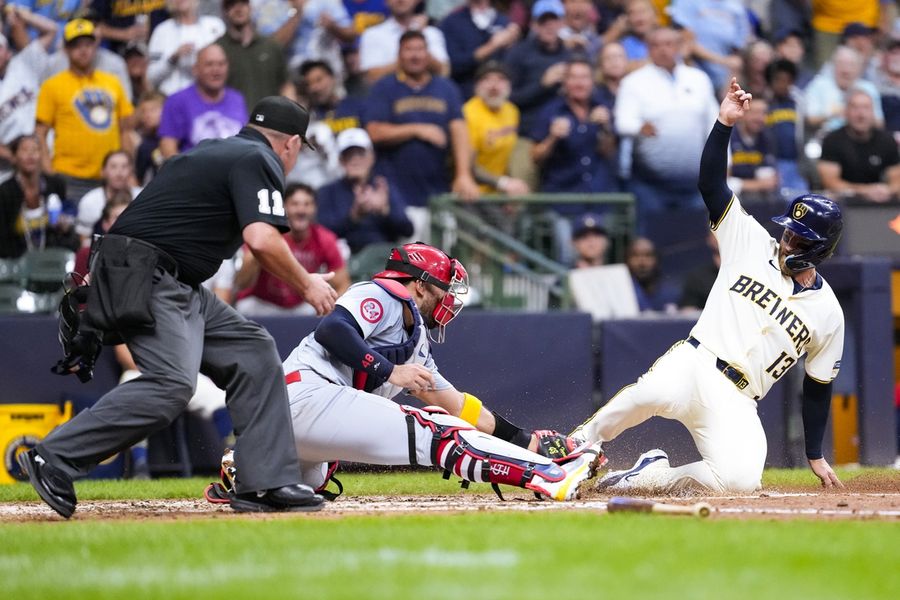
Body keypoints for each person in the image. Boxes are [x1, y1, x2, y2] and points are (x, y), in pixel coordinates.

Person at [17, 96, 339, 518]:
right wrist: (307, 283)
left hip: (161, 273)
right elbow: (261, 240)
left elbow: (147, 216)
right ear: (292, 143)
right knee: (171, 384)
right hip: (149, 272)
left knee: (252, 350)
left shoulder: (213, 149)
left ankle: (265, 482)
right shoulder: (259, 158)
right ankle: (52, 456)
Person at [569, 79, 846, 494]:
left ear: (822, 248)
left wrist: (814, 453)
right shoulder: (751, 241)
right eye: (789, 232)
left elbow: (818, 387)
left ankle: (646, 476)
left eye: (800, 239)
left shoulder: (829, 313)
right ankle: (566, 451)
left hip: (738, 399)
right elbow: (712, 186)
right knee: (638, 399)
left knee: (740, 480)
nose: (789, 241)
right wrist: (723, 124)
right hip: (695, 361)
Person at [207, 242, 605, 502]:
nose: (449, 298)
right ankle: (548, 477)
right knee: (434, 431)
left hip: (296, 425)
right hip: (302, 397)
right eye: (442, 288)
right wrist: (389, 371)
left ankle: (249, 467)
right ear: (417, 285)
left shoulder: (417, 340)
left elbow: (458, 407)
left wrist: (526, 440)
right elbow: (333, 329)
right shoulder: (379, 292)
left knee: (311, 482)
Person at [364, 30, 478, 241]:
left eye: (420, 49)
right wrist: (418, 130)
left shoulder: (446, 88)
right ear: (399, 55)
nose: (415, 55)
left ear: (428, 54)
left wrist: (463, 174)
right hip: (399, 196)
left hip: (439, 194)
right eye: (409, 50)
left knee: (444, 263)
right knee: (407, 267)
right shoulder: (385, 87)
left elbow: (459, 131)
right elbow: (374, 131)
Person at [615, 26, 718, 235]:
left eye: (669, 44)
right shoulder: (633, 82)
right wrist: (638, 127)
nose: (663, 50)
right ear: (648, 49)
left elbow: (715, 125)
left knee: (694, 244)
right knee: (652, 243)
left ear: (679, 47)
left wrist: (726, 162)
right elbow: (622, 122)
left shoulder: (699, 78)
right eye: (656, 45)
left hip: (695, 185)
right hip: (650, 186)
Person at [35, 19, 134, 203]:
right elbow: (40, 134)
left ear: (95, 45)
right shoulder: (52, 86)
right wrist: (49, 173)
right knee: (70, 230)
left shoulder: (112, 82)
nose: (83, 50)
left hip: (111, 177)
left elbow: (125, 130)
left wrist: (129, 170)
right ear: (66, 49)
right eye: (76, 45)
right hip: (68, 175)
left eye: (88, 44)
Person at [234, 182, 350, 315]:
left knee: (324, 308)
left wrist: (333, 313)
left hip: (303, 305)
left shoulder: (324, 238)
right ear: (283, 207)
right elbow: (241, 284)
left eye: (307, 204)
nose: (301, 210)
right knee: (245, 306)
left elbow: (342, 284)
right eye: (295, 204)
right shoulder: (267, 234)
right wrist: (257, 251)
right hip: (263, 304)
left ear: (315, 208)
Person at [316, 128, 413, 254]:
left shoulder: (384, 187)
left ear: (372, 157)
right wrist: (353, 217)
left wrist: (385, 210)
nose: (355, 160)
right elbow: (319, 235)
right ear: (341, 160)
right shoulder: (327, 192)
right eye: (349, 155)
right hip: (344, 260)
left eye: (360, 154)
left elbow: (408, 229)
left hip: (384, 259)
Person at [158, 43, 248, 158]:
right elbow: (168, 148)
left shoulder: (237, 98)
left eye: (221, 64)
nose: (216, 70)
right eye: (209, 64)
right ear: (195, 69)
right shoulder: (177, 101)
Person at [0, 8, 56, 183]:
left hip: (47, 144)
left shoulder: (23, 63)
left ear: (8, 52)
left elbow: (51, 30)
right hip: (11, 159)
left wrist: (25, 16)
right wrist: (14, 156)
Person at [817, 88, 900, 203]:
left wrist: (887, 190)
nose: (861, 114)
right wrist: (866, 191)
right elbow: (830, 182)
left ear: (873, 113)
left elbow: (897, 180)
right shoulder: (832, 140)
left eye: (866, 108)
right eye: (855, 108)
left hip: (879, 204)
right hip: (842, 205)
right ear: (846, 112)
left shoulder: (887, 140)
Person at [0, 134, 75, 258]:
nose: (30, 155)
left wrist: (64, 226)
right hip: (15, 261)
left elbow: (67, 231)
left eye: (35, 150)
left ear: (42, 155)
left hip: (52, 259)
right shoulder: (5, 191)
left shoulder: (56, 185)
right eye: (24, 150)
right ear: (14, 157)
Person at [438, 0, 520, 99]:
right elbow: (452, 65)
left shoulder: (504, 22)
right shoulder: (452, 22)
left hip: (498, 99)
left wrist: (512, 45)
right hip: (464, 95)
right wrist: (491, 46)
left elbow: (514, 67)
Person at [216, 0, 289, 110]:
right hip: (233, 122)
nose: (238, 9)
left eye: (243, 3)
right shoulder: (217, 50)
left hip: (270, 121)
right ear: (224, 11)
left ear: (250, 7)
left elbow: (285, 85)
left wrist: (291, 117)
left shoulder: (271, 46)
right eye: (232, 5)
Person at [358, 0, 450, 84]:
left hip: (428, 96)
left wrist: (417, 35)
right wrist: (409, 56)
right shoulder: (372, 34)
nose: (400, 0)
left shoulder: (432, 33)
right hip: (388, 97)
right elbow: (371, 77)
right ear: (385, 1)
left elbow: (443, 71)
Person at [146, 0, 225, 96]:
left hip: (210, 98)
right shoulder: (161, 31)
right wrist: (172, 59)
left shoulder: (215, 25)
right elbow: (151, 77)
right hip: (173, 99)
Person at [74, 150, 142, 243]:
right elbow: (84, 241)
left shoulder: (142, 197)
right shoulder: (90, 201)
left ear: (131, 171)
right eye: (113, 167)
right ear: (103, 172)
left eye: (124, 166)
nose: (119, 173)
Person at [624, 236, 679, 314]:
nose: (642, 262)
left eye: (648, 255)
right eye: (635, 255)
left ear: (657, 260)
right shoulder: (619, 294)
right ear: (627, 260)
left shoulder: (672, 293)